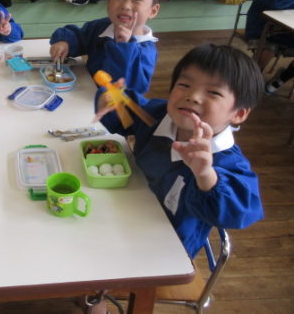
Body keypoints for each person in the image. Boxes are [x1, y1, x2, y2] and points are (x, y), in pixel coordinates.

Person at [94, 44, 264, 258]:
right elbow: (127, 113)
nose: (193, 96)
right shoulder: (156, 115)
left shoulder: (228, 162)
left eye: (213, 92)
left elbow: (240, 212)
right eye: (184, 85)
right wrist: (108, 100)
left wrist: (206, 175)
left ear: (238, 114)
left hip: (167, 248)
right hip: (124, 212)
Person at [50, 0, 162, 94]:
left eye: (137, 0)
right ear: (108, 3)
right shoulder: (102, 27)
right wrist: (65, 42)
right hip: (85, 92)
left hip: (112, 104)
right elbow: (79, 36)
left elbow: (134, 89)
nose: (126, 6)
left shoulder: (146, 51)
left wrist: (123, 47)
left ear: (153, 11)